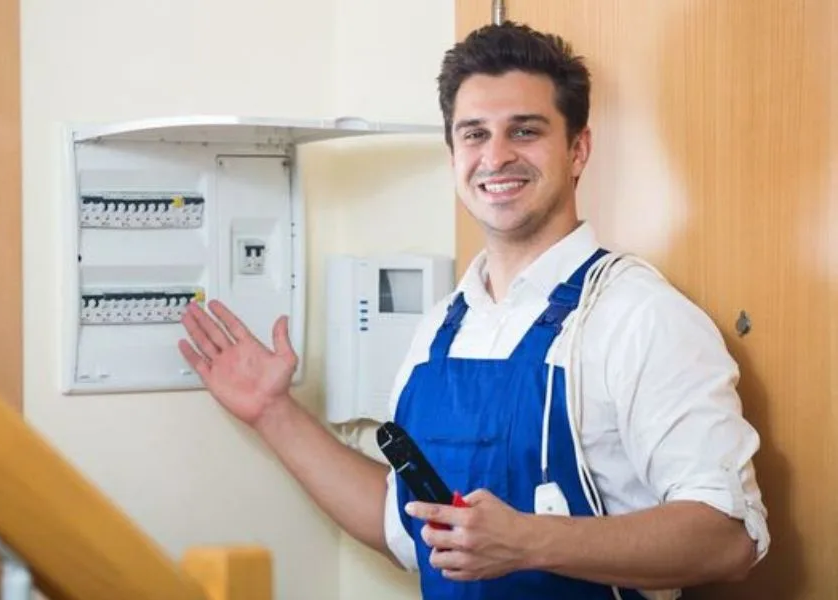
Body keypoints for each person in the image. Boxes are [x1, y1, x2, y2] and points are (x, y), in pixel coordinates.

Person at [178, 21, 769, 600]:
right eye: (474, 134)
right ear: (453, 153)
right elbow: (403, 526)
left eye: (525, 130)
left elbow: (727, 539)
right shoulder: (440, 328)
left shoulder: (640, 317)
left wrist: (531, 541)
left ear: (578, 149)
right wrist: (273, 413)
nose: (497, 156)